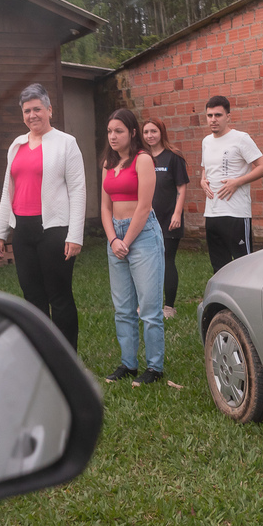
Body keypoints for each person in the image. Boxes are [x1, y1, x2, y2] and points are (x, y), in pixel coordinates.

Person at [0, 83, 86, 349]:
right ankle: (43, 353)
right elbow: (7, 189)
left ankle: (67, 354)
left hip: (54, 230)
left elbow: (78, 190)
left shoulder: (67, 143)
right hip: (22, 230)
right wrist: (0, 229)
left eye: (37, 109)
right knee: (32, 296)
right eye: (27, 111)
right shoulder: (17, 145)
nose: (32, 115)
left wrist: (75, 235)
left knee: (59, 296)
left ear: (49, 110)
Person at [101, 109, 166, 385]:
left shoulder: (143, 160)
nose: (113, 136)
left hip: (142, 236)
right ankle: (128, 364)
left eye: (119, 131)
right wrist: (113, 239)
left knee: (149, 308)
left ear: (132, 133)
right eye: (110, 131)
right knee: (123, 308)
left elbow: (144, 206)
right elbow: (104, 206)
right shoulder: (107, 163)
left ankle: (154, 367)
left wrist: (125, 242)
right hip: (115, 237)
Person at [200, 95, 263, 273]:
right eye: (210, 116)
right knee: (219, 268)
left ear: (228, 117)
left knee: (245, 267)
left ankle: (248, 300)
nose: (213, 120)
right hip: (212, 213)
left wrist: (237, 183)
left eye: (218, 115)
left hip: (236, 214)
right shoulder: (206, 142)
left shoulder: (240, 138)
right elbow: (205, 169)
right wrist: (202, 180)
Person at [142, 118, 188, 319]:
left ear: (162, 133)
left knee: (167, 260)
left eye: (154, 131)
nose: (150, 135)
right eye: (146, 132)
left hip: (169, 219)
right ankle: (148, 303)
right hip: (145, 219)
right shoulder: (142, 158)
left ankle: (169, 306)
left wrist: (177, 213)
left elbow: (181, 187)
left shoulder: (173, 157)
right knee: (147, 263)